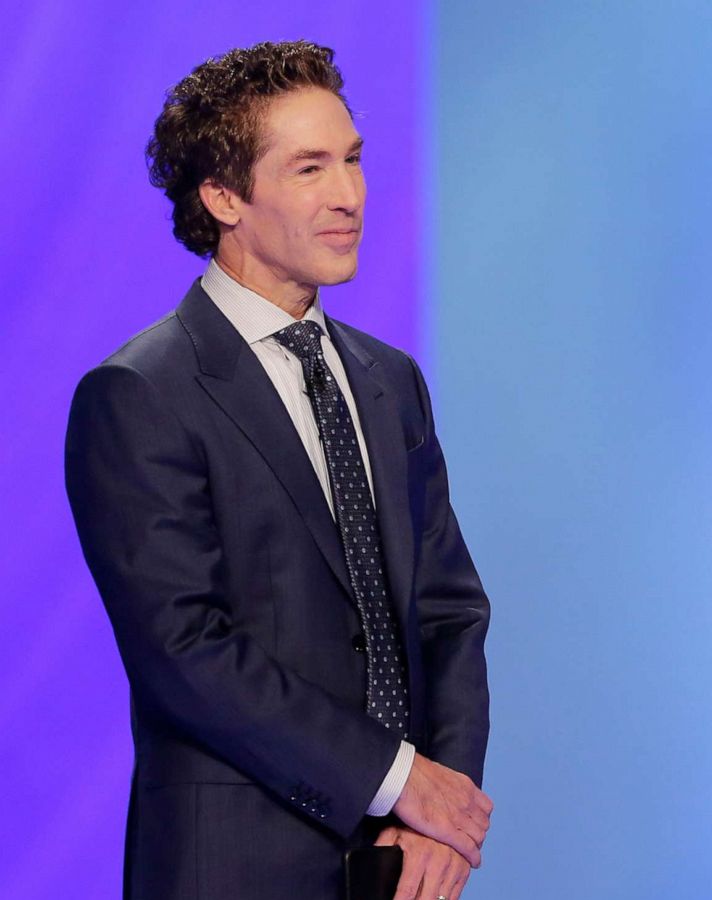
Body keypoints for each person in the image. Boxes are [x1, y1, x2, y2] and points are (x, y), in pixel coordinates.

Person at [65, 41, 493, 900]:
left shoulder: (391, 380)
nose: (349, 196)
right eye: (309, 169)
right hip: (235, 867)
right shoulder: (140, 393)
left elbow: (447, 611)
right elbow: (186, 651)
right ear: (223, 198)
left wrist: (437, 812)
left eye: (353, 159)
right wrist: (400, 779)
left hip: (402, 873)